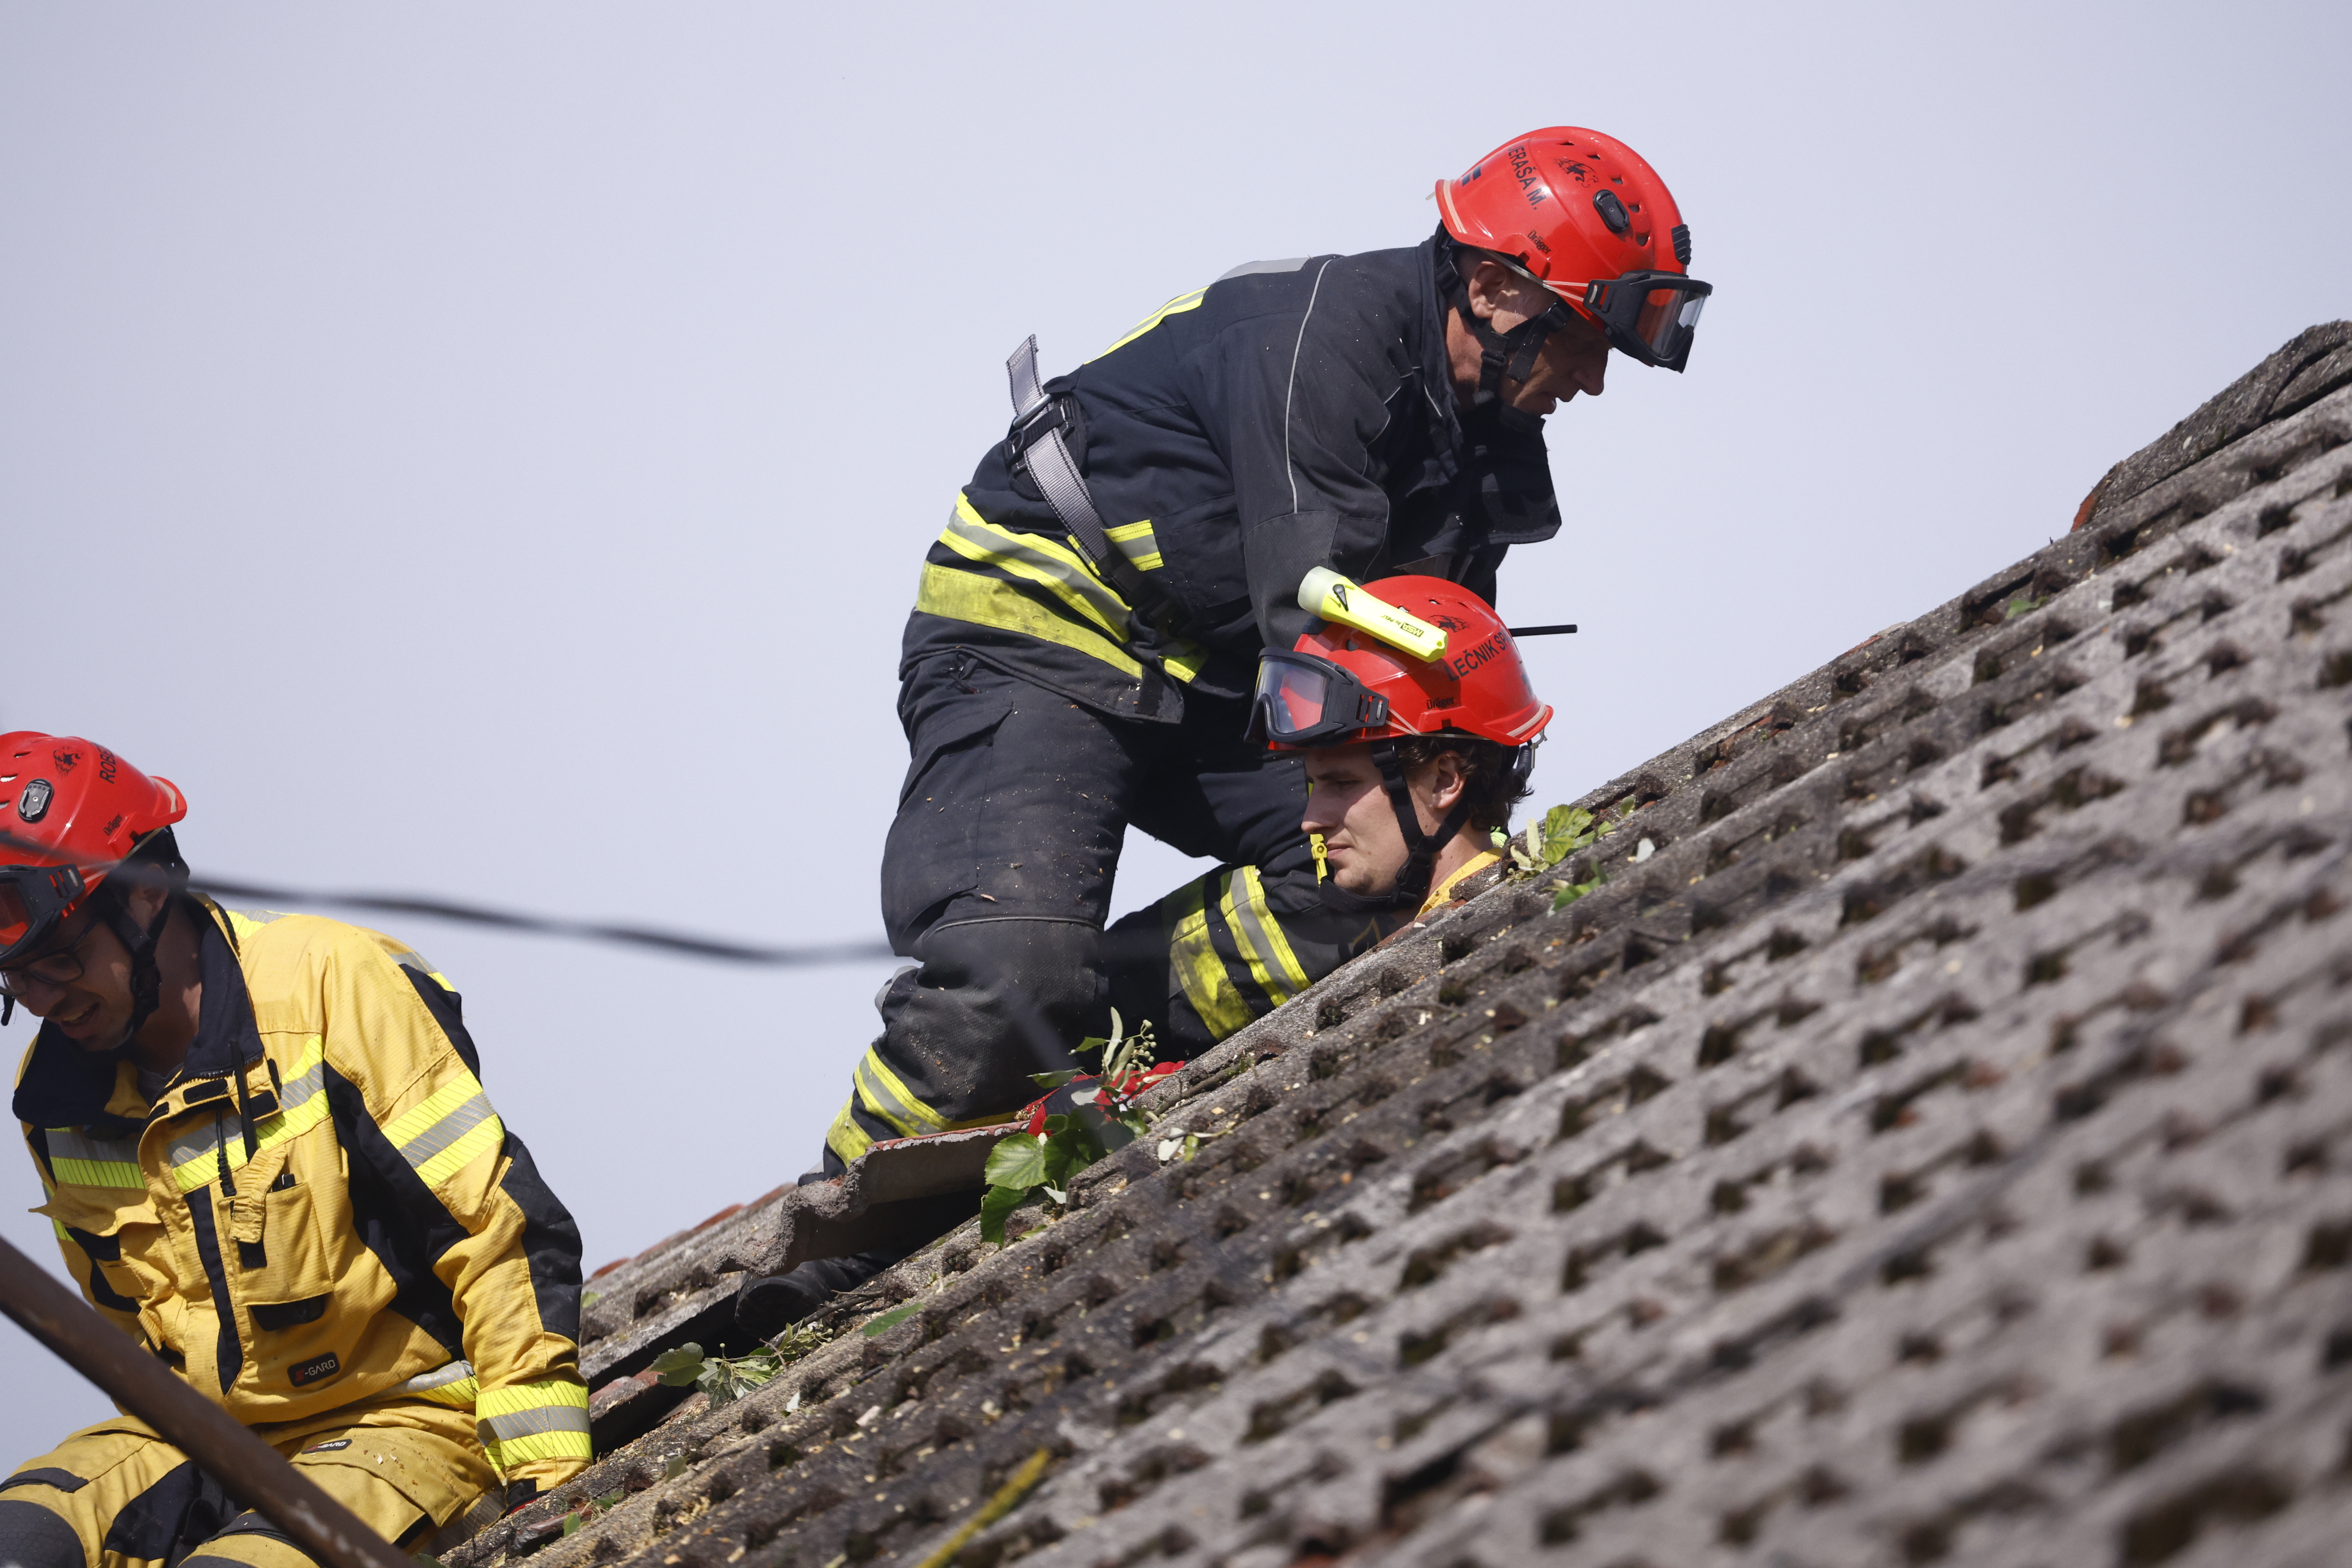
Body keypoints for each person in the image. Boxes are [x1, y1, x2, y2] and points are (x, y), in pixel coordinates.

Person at [738, 127, 1706, 1332]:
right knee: (1006, 965)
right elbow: (1333, 618)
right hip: (1041, 633)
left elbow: (1422, 666)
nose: (1594, 381)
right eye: (1580, 339)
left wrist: (1462, 827)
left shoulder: (1485, 434)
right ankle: (830, 1236)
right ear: (1498, 289)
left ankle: (1081, 1032)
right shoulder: (1332, 342)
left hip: (1216, 675)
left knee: (1388, 864)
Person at [0, 734, 590, 1568]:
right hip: (188, 1431)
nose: (42, 1001)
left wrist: (551, 1485)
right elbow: (126, 1333)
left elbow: (497, 1229)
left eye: (60, 959)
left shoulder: (331, 983)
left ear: (145, 895)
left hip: (403, 1418)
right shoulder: (55, 1093)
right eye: (15, 980)